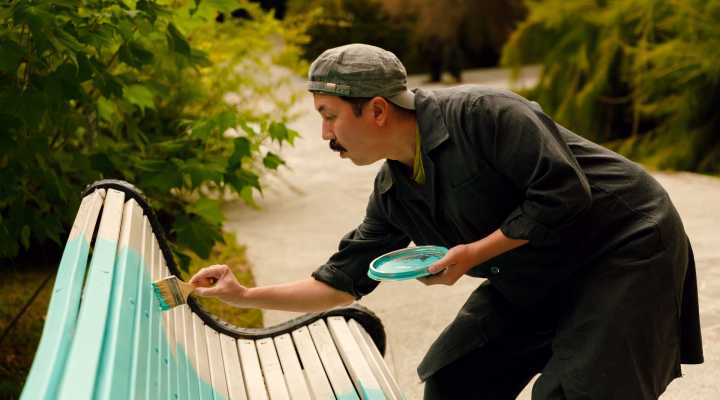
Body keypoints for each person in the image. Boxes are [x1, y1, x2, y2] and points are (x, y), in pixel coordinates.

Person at [189, 44, 703, 399]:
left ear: (376, 110)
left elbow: (563, 192)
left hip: (622, 246)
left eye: (329, 115)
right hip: (537, 271)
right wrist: (244, 295)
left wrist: (473, 254)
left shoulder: (486, 113)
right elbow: (341, 281)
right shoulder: (394, 191)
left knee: (578, 393)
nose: (325, 134)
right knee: (455, 379)